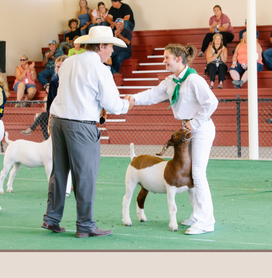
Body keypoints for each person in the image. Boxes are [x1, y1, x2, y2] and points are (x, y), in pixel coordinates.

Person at [43, 24, 130, 238]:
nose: (112, 51)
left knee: (59, 171)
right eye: (110, 46)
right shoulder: (101, 69)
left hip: (58, 121)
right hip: (81, 125)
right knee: (86, 176)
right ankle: (85, 224)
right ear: (101, 46)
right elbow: (112, 104)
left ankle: (52, 218)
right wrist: (127, 104)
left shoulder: (69, 62)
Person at [125, 43, 220, 235]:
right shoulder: (171, 81)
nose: (164, 61)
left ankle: (206, 221)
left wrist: (195, 122)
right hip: (188, 130)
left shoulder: (193, 79)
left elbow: (212, 102)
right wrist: (134, 98)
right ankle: (197, 215)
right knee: (192, 174)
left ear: (178, 59)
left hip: (200, 129)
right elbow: (153, 94)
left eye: (167, 57)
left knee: (199, 173)